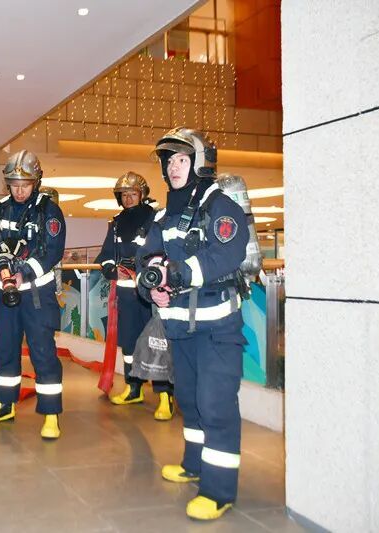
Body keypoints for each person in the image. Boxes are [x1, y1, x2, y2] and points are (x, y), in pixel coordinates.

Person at [136, 127, 249, 521]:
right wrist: (152, 287)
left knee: (215, 404)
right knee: (189, 400)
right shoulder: (163, 216)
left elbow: (225, 255)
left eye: (181, 159)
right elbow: (147, 259)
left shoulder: (220, 206)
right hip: (180, 329)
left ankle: (218, 491)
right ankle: (194, 465)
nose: (173, 167)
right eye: (169, 161)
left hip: (218, 329)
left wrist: (178, 273)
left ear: (201, 162)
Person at [0, 150, 66, 439]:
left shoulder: (48, 210)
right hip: (5, 294)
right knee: (5, 349)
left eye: (24, 185)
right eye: (14, 184)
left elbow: (52, 252)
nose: (19, 191)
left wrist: (24, 273)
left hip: (37, 295)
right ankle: (4, 405)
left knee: (43, 352)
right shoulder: (0, 209)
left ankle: (50, 414)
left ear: (36, 182)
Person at [95, 172, 175, 420]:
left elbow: (165, 251)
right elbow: (106, 254)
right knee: (129, 343)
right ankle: (134, 388)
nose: (128, 198)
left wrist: (145, 268)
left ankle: (165, 396)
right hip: (126, 293)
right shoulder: (116, 223)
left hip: (152, 294)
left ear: (142, 195)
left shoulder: (156, 218)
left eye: (133, 194)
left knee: (158, 342)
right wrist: (112, 268)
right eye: (124, 195)